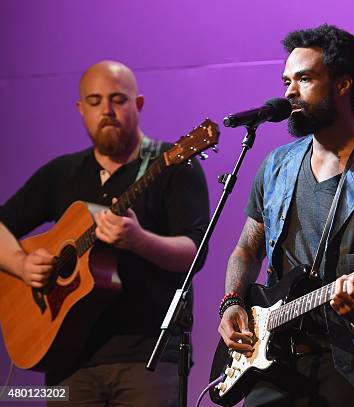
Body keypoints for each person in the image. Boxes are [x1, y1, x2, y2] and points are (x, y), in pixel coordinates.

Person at [217, 25, 354, 406]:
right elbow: (247, 248)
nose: (289, 92)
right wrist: (231, 303)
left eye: (304, 79)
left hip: (347, 362)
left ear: (342, 85)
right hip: (271, 356)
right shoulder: (277, 165)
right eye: (286, 81)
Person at [0, 61, 209, 406]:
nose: (107, 111)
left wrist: (140, 241)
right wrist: (22, 265)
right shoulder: (61, 173)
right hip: (67, 359)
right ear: (80, 109)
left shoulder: (173, 164)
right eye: (95, 102)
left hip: (148, 358)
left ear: (138, 104)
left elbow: (195, 253)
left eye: (118, 100)